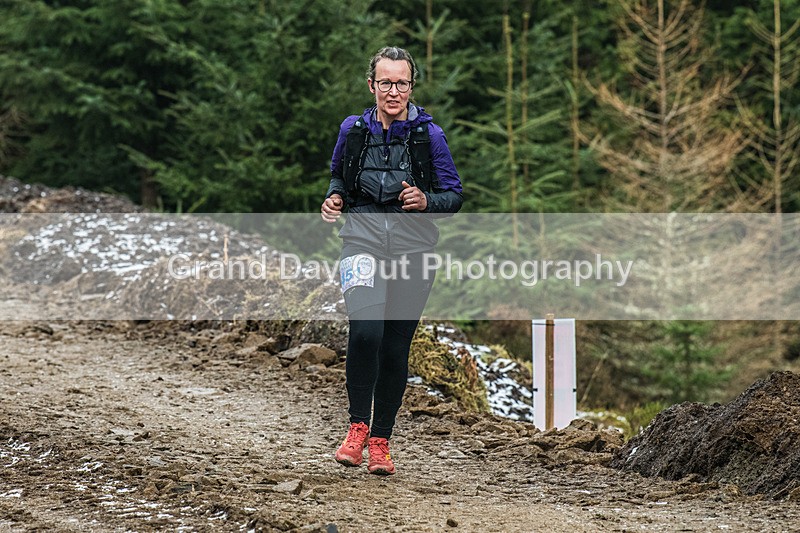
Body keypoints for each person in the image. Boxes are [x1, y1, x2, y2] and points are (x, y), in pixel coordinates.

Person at [320, 46, 462, 475]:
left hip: (413, 252)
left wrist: (426, 199)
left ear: (411, 86)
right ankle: (357, 427)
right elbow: (337, 175)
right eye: (386, 82)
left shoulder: (428, 136)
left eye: (402, 82)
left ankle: (381, 440)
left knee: (396, 346)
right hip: (360, 242)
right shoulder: (353, 130)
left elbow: (454, 195)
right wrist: (334, 197)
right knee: (365, 333)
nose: (394, 91)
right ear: (372, 85)